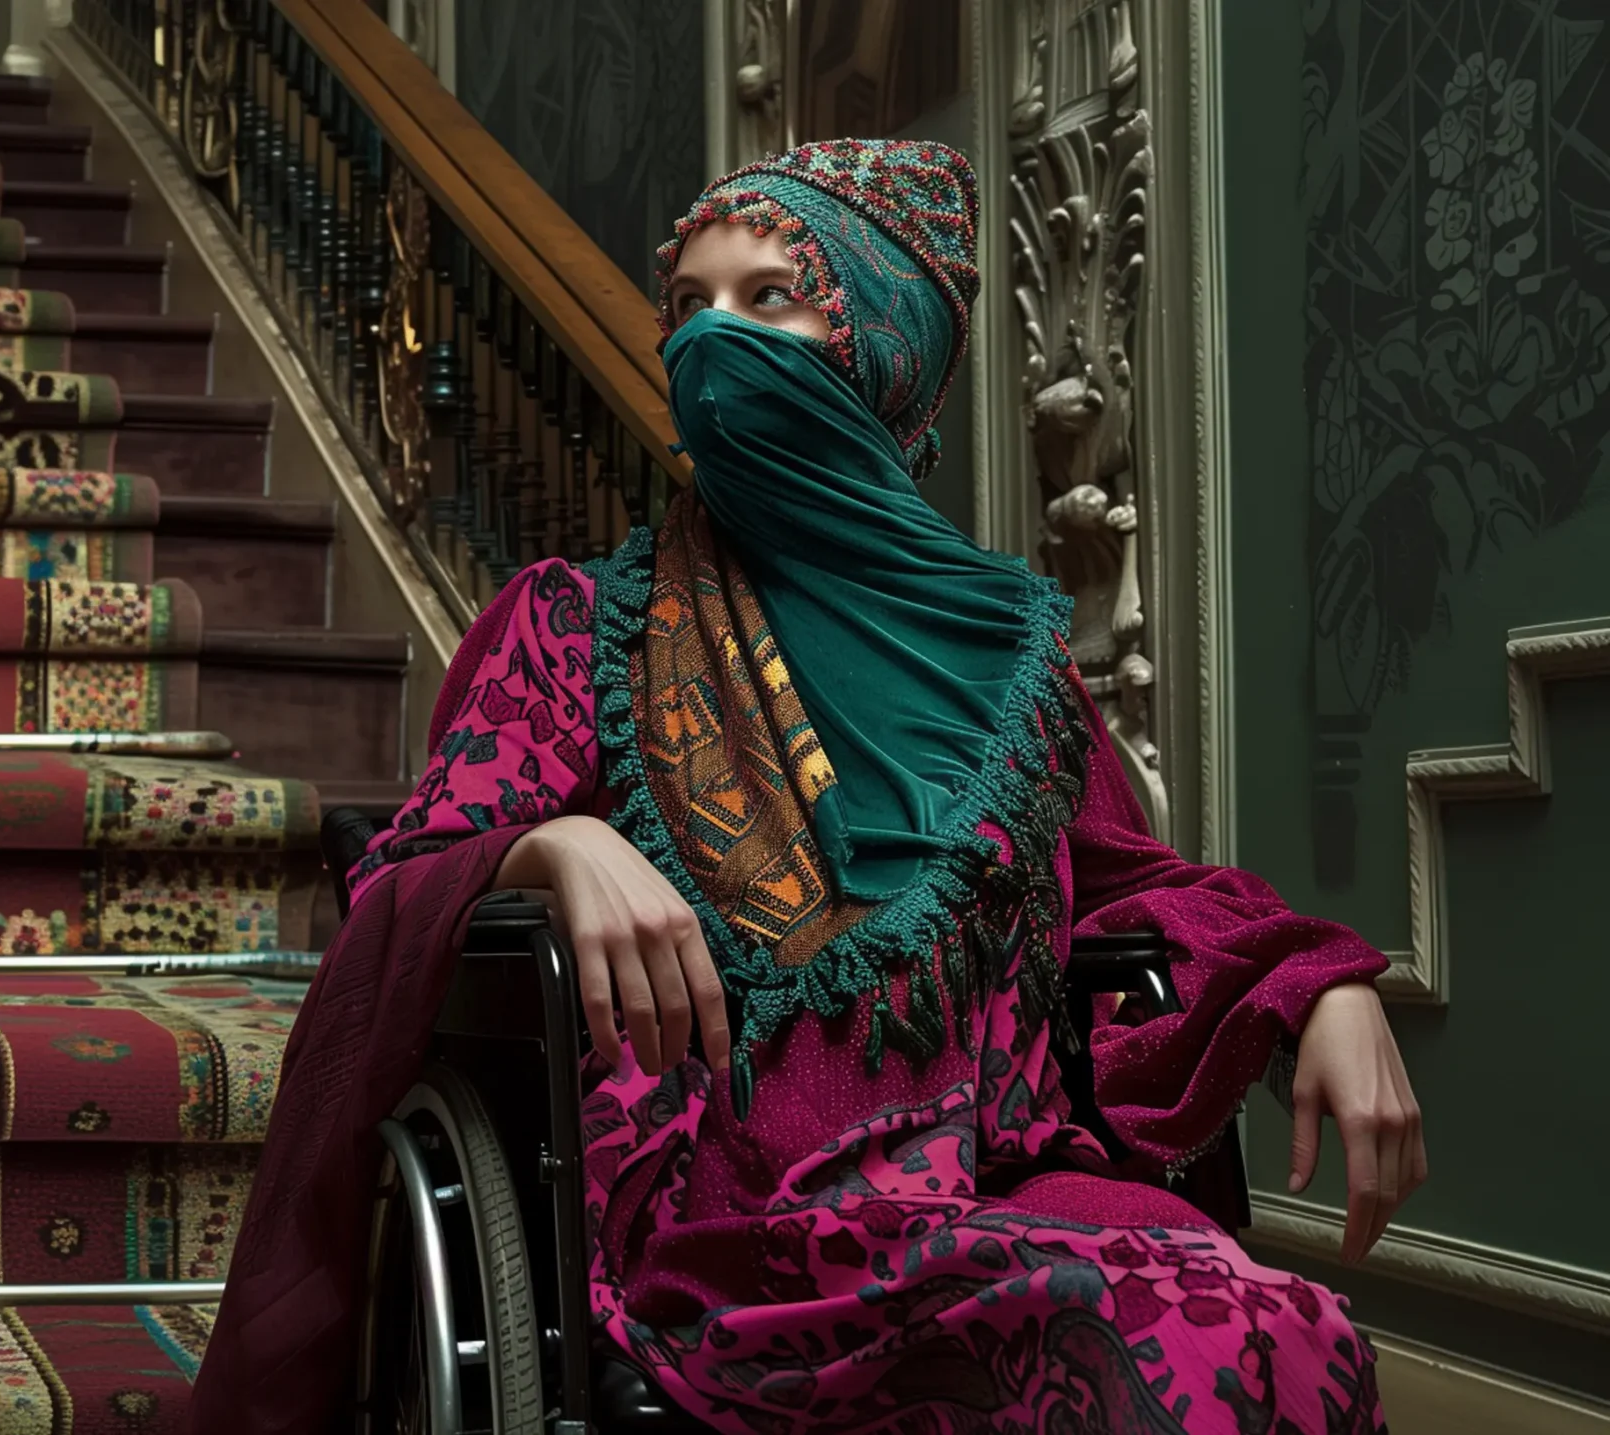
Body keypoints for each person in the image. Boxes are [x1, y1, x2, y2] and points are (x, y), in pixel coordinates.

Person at [189, 139, 1423, 1434]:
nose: (705, 345)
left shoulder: (1016, 669)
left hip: (1006, 1175)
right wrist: (543, 842)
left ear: (881, 346)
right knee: (1175, 1341)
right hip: (731, 1233)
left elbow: (1134, 893)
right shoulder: (576, 628)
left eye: (767, 297)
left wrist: (1318, 982)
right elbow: (404, 881)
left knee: (1292, 1331)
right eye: (686, 308)